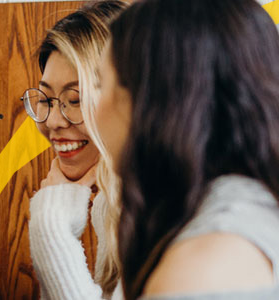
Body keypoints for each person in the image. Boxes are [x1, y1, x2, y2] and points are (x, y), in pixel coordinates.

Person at [97, 0, 279, 298]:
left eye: (99, 83)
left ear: (152, 104)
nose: (95, 108)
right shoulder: (250, 209)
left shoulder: (203, 266)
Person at [25, 1, 127, 299]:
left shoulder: (168, 208)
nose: (54, 121)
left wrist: (50, 226)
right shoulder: (112, 202)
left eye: (76, 99)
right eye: (46, 99)